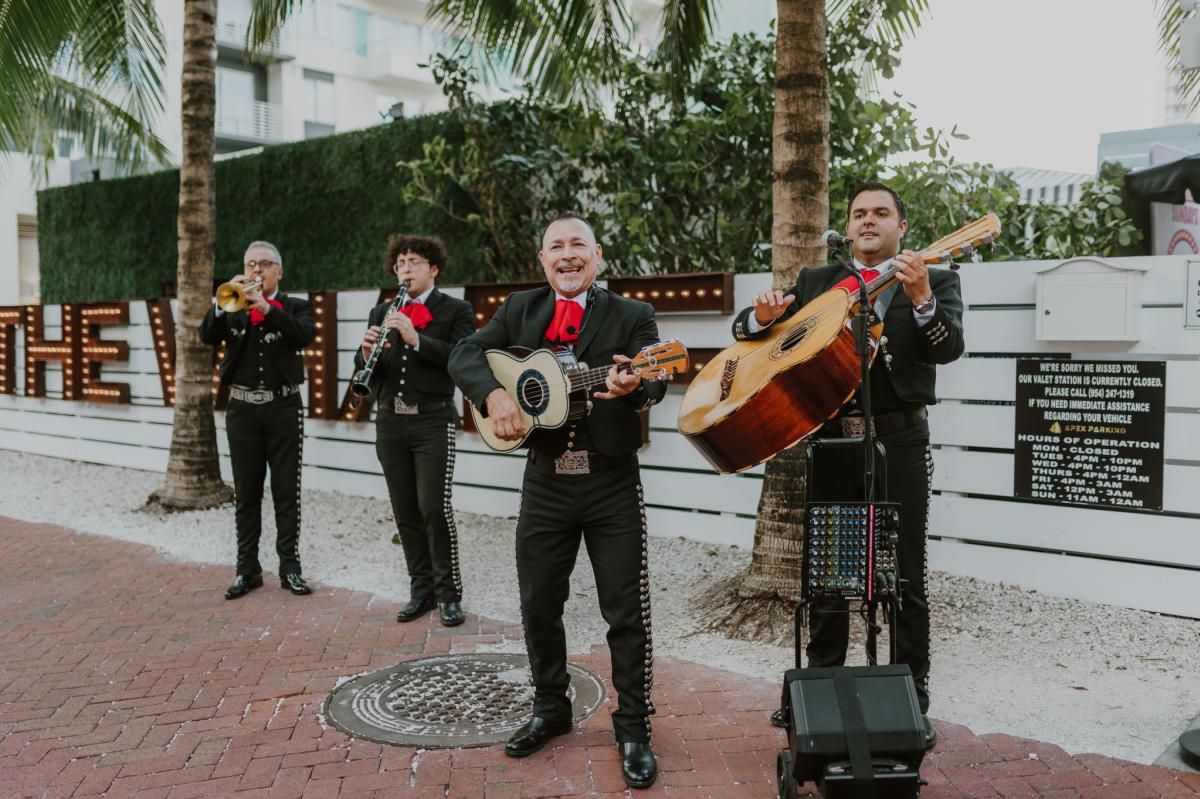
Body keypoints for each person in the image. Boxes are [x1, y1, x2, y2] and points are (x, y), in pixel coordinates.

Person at [733, 181, 964, 734]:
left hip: (901, 439)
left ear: (901, 227)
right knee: (828, 566)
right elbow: (747, 332)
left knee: (905, 566)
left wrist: (921, 298)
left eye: (880, 213)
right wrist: (762, 319)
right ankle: (820, 680)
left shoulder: (935, 279)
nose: (868, 221)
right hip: (832, 439)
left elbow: (948, 346)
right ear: (849, 227)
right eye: (859, 213)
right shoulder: (818, 281)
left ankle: (912, 685)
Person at [448, 213, 665, 789]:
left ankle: (634, 726)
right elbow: (464, 353)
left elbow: (658, 374)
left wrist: (634, 384)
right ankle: (550, 708)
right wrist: (495, 393)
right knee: (539, 601)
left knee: (625, 608)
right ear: (542, 259)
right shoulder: (518, 309)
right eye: (555, 247)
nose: (567, 255)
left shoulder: (632, 315)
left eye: (578, 246)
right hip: (544, 482)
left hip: (611, 482)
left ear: (597, 256)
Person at [356, 235, 475, 627]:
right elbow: (371, 377)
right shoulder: (380, 312)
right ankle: (420, 590)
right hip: (390, 420)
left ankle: (449, 594)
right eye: (400, 264)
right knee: (405, 510)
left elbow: (460, 360)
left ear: (434, 268)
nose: (405, 270)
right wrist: (367, 354)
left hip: (432, 420)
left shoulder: (456, 310)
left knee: (432, 508)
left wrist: (415, 337)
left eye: (414, 262)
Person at [200, 241, 317, 600]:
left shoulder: (296, 306)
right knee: (246, 494)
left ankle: (290, 568)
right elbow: (206, 335)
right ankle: (246, 569)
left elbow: (305, 336)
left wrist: (268, 309)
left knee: (286, 492)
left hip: (283, 408)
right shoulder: (232, 306)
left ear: (278, 271)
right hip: (242, 410)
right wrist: (220, 305)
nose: (257, 271)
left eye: (265, 264)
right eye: (251, 264)